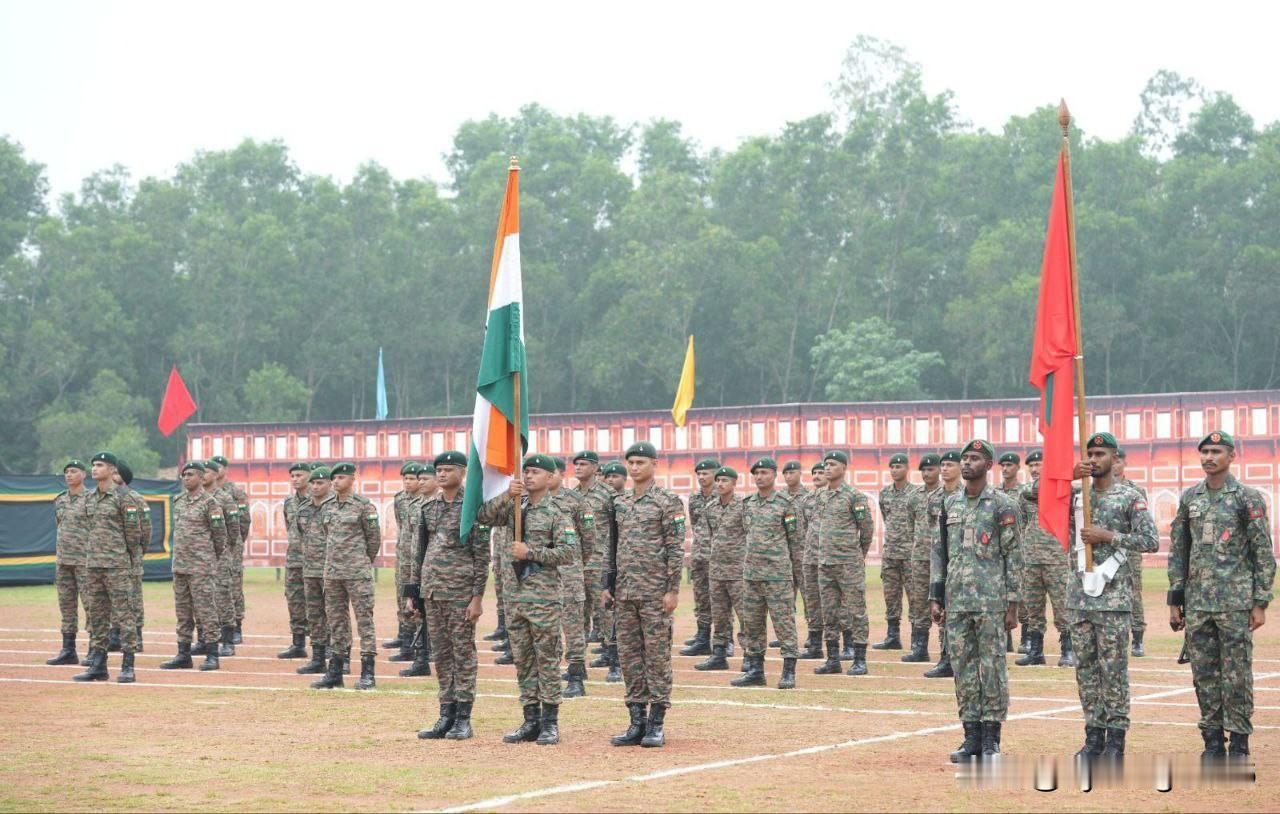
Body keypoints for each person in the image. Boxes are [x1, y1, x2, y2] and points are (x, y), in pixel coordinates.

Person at [1169, 431, 1276, 759]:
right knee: (1204, 674)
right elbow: (1179, 550)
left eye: (1216, 451)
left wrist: (1260, 602)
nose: (1209, 457)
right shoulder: (1191, 498)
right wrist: (1175, 600)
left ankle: (1239, 743)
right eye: (1204, 452)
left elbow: (1262, 551)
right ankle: (1213, 742)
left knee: (1237, 674)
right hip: (1198, 604)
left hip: (1235, 603)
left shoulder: (1247, 498)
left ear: (1232, 456)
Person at [1063, 432, 1159, 758]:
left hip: (1114, 599)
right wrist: (1067, 477)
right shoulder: (1077, 497)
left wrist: (1108, 536)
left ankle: (1115, 740)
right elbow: (1033, 497)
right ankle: (1093, 737)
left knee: (1113, 671)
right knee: (1086, 672)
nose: (1093, 459)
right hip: (1080, 598)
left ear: (1114, 459)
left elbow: (1150, 540)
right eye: (1089, 454)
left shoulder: (1129, 497)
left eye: (1100, 454)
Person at [929, 440, 1023, 760]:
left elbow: (1013, 555)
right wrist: (936, 596)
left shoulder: (1003, 504)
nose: (967, 463)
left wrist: (1013, 604)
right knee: (964, 669)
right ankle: (971, 737)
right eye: (965, 458)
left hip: (991, 602)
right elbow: (939, 552)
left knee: (992, 669)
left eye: (975, 459)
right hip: (956, 601)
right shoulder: (950, 504)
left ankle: (991, 740)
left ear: (989, 465)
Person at [481, 454, 577, 746]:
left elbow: (568, 552)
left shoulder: (557, 513)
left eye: (536, 472)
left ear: (550, 478)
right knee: (523, 660)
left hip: (543, 599)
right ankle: (530, 719)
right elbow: (483, 517)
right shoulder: (515, 508)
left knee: (547, 660)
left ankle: (550, 723)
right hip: (515, 598)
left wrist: (531, 553)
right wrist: (506, 496)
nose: (530, 476)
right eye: (527, 472)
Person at [603, 441, 685, 748]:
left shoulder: (668, 501)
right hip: (625, 592)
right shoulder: (619, 502)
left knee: (657, 657)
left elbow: (675, 549)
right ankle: (636, 722)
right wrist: (607, 584)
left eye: (640, 462)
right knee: (629, 657)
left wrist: (672, 590)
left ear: (654, 464)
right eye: (631, 462)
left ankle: (656, 723)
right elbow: (612, 546)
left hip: (654, 592)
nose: (635, 467)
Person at [409, 450, 487, 741]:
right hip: (433, 591)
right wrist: (414, 592)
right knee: (441, 655)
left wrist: (477, 597)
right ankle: (446, 714)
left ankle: (464, 718)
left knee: (462, 654)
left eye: (448, 469)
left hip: (460, 592)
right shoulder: (428, 507)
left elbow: (482, 555)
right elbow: (420, 551)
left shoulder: (473, 508)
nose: (441, 474)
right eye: (439, 470)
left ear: (463, 472)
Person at [74, 452, 145, 684]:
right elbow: (86, 529)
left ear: (113, 470)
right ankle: (98, 665)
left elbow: (134, 534)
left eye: (100, 465)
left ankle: (128, 665)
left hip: (117, 566)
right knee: (97, 617)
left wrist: (128, 560)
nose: (94, 469)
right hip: (94, 566)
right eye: (93, 465)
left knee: (125, 616)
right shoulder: (89, 498)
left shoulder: (124, 497)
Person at [735, 457, 802, 689]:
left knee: (784, 624)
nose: (759, 477)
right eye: (756, 473)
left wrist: (794, 574)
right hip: (752, 575)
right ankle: (755, 671)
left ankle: (788, 671)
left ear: (774, 475)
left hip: (778, 575)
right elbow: (746, 533)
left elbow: (795, 541)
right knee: (752, 625)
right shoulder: (747, 504)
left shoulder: (785, 504)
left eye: (764, 472)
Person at [314, 462, 381, 691]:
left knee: (364, 621)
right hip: (333, 573)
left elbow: (373, 539)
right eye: (334, 478)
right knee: (336, 622)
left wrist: (361, 561)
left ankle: (368, 672)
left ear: (353, 479)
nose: (336, 482)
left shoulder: (364, 506)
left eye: (341, 478)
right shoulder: (327, 506)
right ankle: (335, 671)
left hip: (357, 573)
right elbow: (327, 536)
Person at [160, 461, 228, 671]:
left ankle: (212, 654)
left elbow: (220, 536)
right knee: (183, 612)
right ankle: (183, 654)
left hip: (201, 566)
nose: (186, 478)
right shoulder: (178, 501)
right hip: (180, 565)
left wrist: (208, 558)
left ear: (200, 477)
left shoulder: (210, 503)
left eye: (190, 474)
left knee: (206, 611)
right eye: (184, 475)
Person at [813, 451, 875, 676]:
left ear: (843, 468)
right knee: (829, 612)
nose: (827, 468)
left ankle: (859, 659)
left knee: (856, 611)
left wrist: (857, 555)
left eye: (832, 464)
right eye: (826, 464)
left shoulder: (854, 496)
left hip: (849, 563)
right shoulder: (821, 496)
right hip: (825, 563)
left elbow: (866, 529)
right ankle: (832, 659)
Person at [1015, 449, 1074, 668]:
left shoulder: (1062, 491)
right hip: (1031, 558)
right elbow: (1022, 521)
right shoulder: (1025, 492)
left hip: (1056, 558)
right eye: (1031, 465)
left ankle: (1068, 650)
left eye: (1038, 464)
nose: (1034, 469)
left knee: (1062, 606)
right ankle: (1035, 651)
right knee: (1033, 607)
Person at [694, 466, 746, 673]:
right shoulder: (711, 508)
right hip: (716, 570)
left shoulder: (744, 506)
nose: (720, 484)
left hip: (738, 570)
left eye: (725, 480)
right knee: (720, 616)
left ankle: (751, 656)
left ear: (734, 483)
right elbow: (707, 536)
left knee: (745, 616)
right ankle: (719, 654)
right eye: (719, 480)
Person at [549, 457, 591, 697]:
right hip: (543, 575)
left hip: (569, 573)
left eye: (552, 472)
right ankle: (550, 675)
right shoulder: (530, 502)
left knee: (573, 627)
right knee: (547, 627)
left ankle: (576, 676)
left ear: (561, 474)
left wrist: (575, 564)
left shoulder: (576, 500)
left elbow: (589, 539)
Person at [575, 451, 617, 678]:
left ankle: (614, 662)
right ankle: (577, 666)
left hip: (601, 563)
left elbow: (617, 529)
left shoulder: (607, 495)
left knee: (606, 613)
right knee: (578, 615)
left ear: (594, 467)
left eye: (583, 464)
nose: (578, 467)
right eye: (576, 464)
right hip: (578, 564)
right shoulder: (571, 496)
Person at [924, 451, 962, 679]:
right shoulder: (934, 498)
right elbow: (934, 532)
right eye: (943, 465)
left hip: (963, 559)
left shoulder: (966, 495)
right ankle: (946, 657)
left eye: (950, 464)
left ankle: (963, 658)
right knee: (942, 608)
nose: (945, 469)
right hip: (941, 559)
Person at [48, 459, 90, 666]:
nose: (69, 475)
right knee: (66, 606)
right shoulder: (60, 500)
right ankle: (68, 650)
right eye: (66, 472)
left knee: (92, 606)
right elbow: (60, 525)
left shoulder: (92, 499)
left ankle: (95, 650)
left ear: (84, 474)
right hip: (64, 561)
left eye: (73, 471)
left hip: (85, 561)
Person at [875, 453, 917, 652]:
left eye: (898, 466)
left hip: (911, 554)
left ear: (907, 468)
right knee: (891, 596)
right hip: (890, 553)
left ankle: (918, 639)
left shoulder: (916, 493)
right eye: (892, 467)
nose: (894, 470)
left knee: (915, 597)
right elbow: (886, 517)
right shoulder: (884, 493)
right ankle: (893, 637)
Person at [902, 454, 941, 664]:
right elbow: (910, 527)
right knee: (918, 602)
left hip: (943, 558)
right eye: (923, 470)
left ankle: (947, 650)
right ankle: (919, 647)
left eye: (930, 469)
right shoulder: (914, 497)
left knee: (944, 601)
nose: (926, 473)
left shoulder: (948, 494)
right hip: (920, 558)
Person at [296, 467, 335, 675]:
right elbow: (302, 536)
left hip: (332, 571)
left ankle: (339, 657)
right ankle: (318, 658)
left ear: (330, 484)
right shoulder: (303, 509)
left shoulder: (336, 507)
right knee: (314, 615)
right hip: (310, 570)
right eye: (313, 483)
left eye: (320, 483)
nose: (315, 486)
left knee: (335, 615)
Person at [200, 459, 241, 658]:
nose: (203, 476)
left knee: (223, 596)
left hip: (221, 555)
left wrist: (226, 550)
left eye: (207, 472)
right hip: (199, 557)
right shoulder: (196, 498)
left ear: (216, 474)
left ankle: (227, 640)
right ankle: (204, 639)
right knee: (201, 598)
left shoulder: (225, 499)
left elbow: (235, 529)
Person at [400, 464, 436, 677]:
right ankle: (421, 659)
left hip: (437, 569)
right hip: (416, 566)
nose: (421, 482)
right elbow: (411, 538)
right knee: (418, 612)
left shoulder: (441, 504)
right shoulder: (414, 506)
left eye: (425, 479)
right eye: (419, 479)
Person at [681, 458, 720, 657]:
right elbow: (696, 525)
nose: (702, 477)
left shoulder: (723, 496)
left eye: (706, 473)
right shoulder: (695, 499)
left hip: (720, 558)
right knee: (701, 598)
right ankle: (703, 637)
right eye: (699, 474)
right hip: (699, 556)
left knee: (721, 600)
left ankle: (724, 640)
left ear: (716, 474)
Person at [210, 455, 250, 643]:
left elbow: (244, 521)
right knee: (215, 585)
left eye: (219, 466)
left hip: (232, 544)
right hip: (211, 545)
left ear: (225, 469)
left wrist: (235, 542)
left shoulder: (236, 492)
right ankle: (218, 626)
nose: (216, 470)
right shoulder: (206, 492)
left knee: (233, 584)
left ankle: (237, 626)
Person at [387, 462, 424, 663]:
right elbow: (402, 527)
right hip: (403, 556)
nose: (408, 482)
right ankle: (404, 637)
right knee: (402, 597)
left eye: (412, 479)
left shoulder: (425, 501)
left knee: (416, 601)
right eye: (405, 479)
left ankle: (417, 644)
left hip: (417, 558)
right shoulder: (399, 499)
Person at [1114, 448, 1149, 657]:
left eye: (1118, 461)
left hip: (1129, 551)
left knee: (1134, 592)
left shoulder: (1136, 491)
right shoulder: (1095, 490)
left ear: (1124, 463)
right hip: (1105, 550)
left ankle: (1137, 637)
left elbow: (1142, 524)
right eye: (1112, 461)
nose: (1114, 465)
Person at [279, 462, 313, 660]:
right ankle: (298, 644)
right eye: (292, 476)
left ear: (309, 476)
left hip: (314, 560)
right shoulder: (289, 503)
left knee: (318, 602)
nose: (295, 479)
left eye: (299, 475)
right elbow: (289, 527)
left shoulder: (319, 500)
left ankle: (323, 644)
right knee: (294, 601)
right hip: (293, 559)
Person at [997, 452, 1027, 653]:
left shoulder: (1024, 493)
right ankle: (1004, 638)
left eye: (1009, 465)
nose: (1005, 469)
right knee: (1000, 594)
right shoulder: (994, 492)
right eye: (1003, 465)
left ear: (1018, 468)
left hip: (1018, 548)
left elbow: (1027, 519)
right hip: (998, 550)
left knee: (1021, 596)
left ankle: (1026, 639)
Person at [798, 463, 827, 659]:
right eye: (814, 473)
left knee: (839, 604)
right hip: (810, 559)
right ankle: (815, 645)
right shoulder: (807, 500)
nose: (816, 476)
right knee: (813, 602)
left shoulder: (838, 498)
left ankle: (848, 645)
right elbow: (803, 528)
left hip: (833, 559)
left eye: (821, 472)